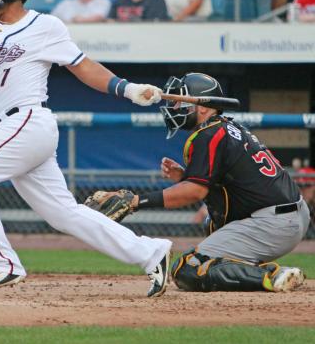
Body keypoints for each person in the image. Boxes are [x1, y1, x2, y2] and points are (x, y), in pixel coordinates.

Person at [0, 0, 172, 297]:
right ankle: (151, 252)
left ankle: (3, 264)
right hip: (9, 128)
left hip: (27, 120)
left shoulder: (45, 26)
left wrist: (127, 89)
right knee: (64, 214)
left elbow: (83, 67)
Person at [94, 73, 310, 292]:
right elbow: (227, 185)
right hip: (290, 215)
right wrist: (184, 178)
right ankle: (255, 268)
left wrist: (137, 201)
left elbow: (195, 192)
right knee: (212, 223)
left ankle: (272, 275)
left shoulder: (209, 134)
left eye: (181, 101)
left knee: (188, 268)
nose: (175, 107)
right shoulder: (227, 127)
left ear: (203, 107)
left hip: (274, 222)